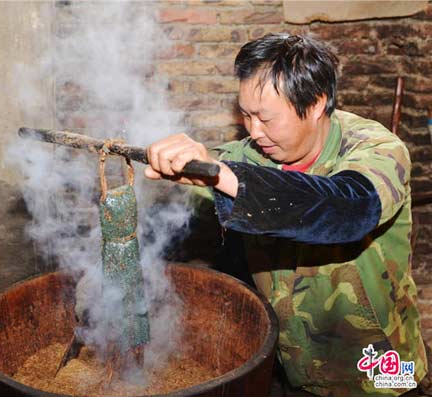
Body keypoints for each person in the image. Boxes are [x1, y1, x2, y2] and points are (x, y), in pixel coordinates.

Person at [144, 33, 427, 397]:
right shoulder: (250, 155)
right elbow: (207, 171)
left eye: (265, 118)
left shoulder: (377, 149)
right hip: (297, 368)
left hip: (378, 371)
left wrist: (228, 179)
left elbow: (351, 208)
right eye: (245, 115)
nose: (253, 131)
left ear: (315, 104)